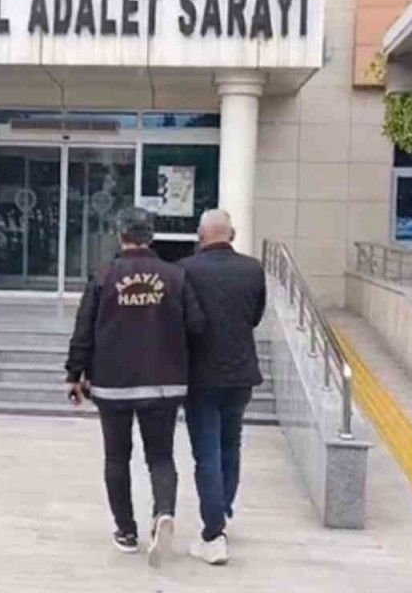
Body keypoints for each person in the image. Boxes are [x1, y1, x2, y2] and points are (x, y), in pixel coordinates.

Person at [65, 207, 206, 566]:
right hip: (164, 382)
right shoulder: (175, 276)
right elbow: (197, 326)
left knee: (117, 457)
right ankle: (163, 512)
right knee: (161, 456)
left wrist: (75, 373)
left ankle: (126, 531)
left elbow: (84, 329)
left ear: (120, 234)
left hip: (112, 383)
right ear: (151, 236)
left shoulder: (103, 276)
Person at [178, 210, 266, 565]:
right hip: (241, 373)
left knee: (206, 453)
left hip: (200, 375)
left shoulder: (185, 270)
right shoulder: (253, 270)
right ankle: (222, 508)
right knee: (231, 444)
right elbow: (255, 316)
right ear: (233, 234)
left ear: (200, 236)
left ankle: (213, 532)